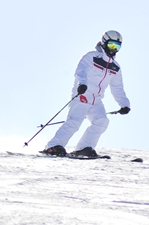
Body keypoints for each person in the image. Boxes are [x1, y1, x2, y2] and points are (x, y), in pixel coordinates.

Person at [42, 30, 131, 158]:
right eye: (112, 45)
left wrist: (124, 104)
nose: (114, 49)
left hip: (96, 100)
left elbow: (118, 88)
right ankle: (53, 146)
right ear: (104, 43)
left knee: (102, 121)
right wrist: (82, 84)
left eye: (117, 46)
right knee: (75, 121)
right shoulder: (92, 57)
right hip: (83, 94)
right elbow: (81, 71)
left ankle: (84, 148)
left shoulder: (115, 67)